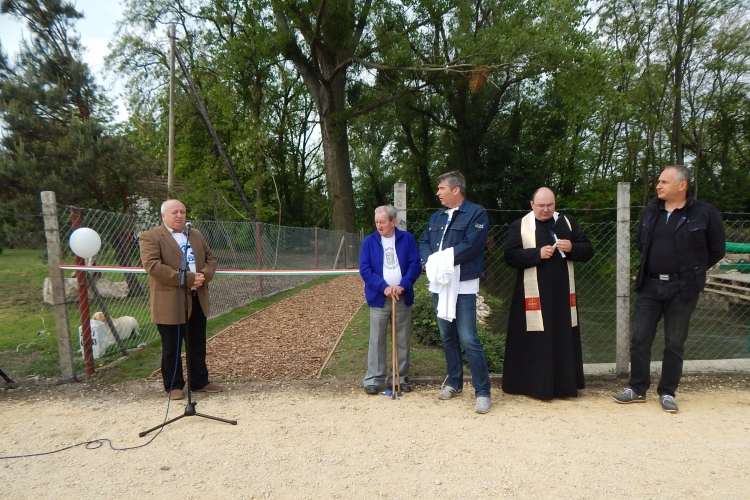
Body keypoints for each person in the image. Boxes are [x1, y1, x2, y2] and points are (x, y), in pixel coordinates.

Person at [613, 165, 725, 412]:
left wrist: (692, 269)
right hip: (649, 285)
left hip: (683, 288)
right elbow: (642, 244)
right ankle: (637, 388)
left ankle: (667, 392)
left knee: (674, 342)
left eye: (664, 182)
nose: (658, 185)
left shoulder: (704, 213)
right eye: (658, 181)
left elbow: (717, 250)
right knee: (640, 338)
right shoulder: (651, 210)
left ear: (681, 185)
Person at [502, 187, 594, 400]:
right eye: (541, 205)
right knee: (534, 338)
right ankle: (531, 385)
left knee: (563, 335)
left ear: (555, 204)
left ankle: (564, 386)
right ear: (531, 204)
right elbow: (510, 256)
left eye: (550, 205)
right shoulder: (520, 226)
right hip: (531, 294)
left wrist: (572, 247)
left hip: (562, 292)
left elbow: (587, 250)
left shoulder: (567, 222)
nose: (545, 209)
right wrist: (536, 254)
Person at [418, 171, 492, 414]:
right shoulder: (436, 216)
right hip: (441, 283)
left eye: (441, 188)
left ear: (456, 190)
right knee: (447, 336)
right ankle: (454, 382)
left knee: (469, 338)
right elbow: (424, 241)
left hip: (464, 285)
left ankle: (482, 392)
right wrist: (432, 262)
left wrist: (440, 260)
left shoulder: (476, 213)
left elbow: (471, 245)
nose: (438, 193)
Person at [139, 199, 223, 400]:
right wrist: (188, 279)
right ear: (163, 216)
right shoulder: (150, 237)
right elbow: (153, 266)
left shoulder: (195, 234)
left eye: (183, 212)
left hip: (197, 298)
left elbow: (211, 258)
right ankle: (174, 385)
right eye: (175, 212)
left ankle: (200, 381)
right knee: (172, 346)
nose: (179, 215)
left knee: (197, 343)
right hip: (170, 301)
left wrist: (204, 275)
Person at [359, 206, 422, 395]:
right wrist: (384, 287)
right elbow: (365, 269)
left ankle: (399, 378)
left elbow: (415, 265)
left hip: (402, 296)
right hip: (379, 297)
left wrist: (402, 285)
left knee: (401, 339)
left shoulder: (407, 239)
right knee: (376, 339)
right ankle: (374, 379)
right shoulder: (369, 242)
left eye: (382, 222)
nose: (378, 226)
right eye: (376, 222)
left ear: (393, 222)